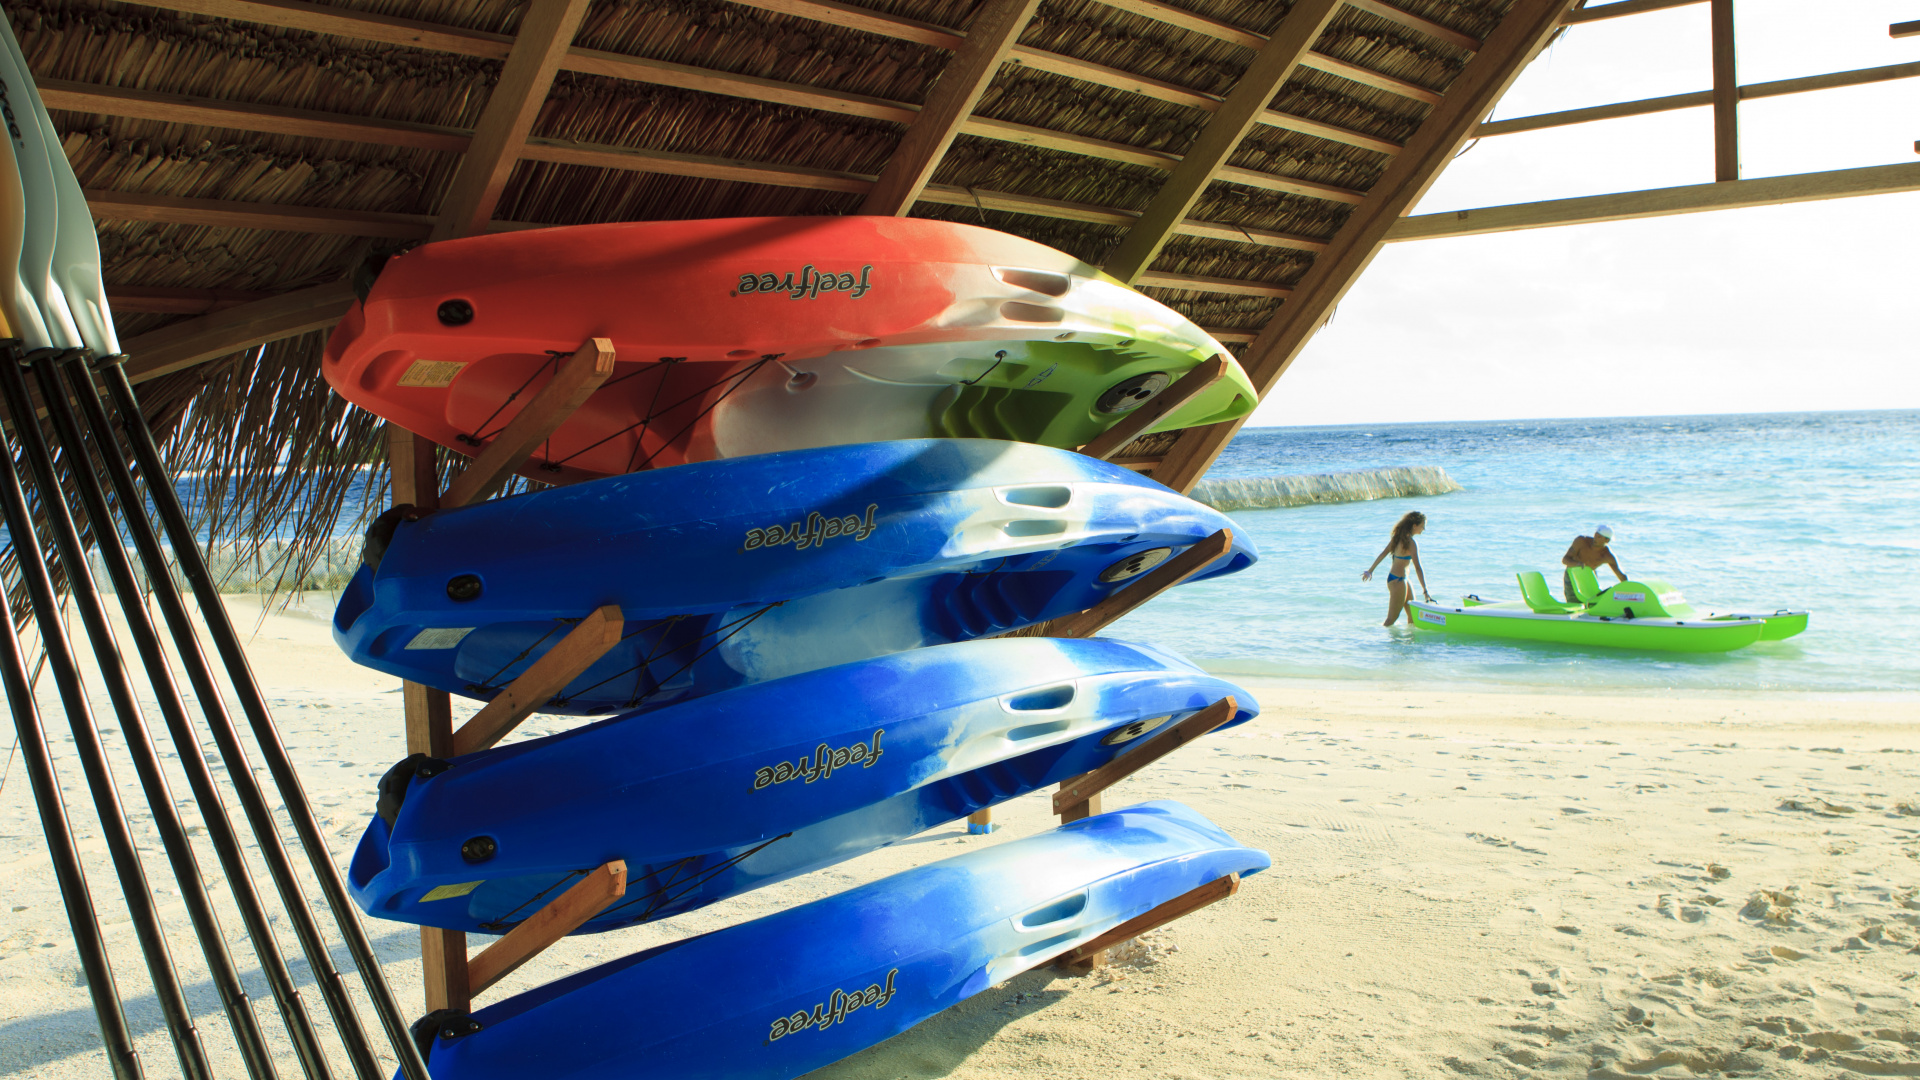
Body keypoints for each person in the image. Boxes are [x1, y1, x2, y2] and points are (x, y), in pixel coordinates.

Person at [1362, 511, 1431, 626]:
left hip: (1399, 579)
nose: (1423, 529)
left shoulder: (1398, 538)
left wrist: (1370, 571)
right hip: (1398, 580)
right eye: (1422, 526)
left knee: (1413, 617)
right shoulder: (1411, 543)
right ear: (1414, 526)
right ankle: (1384, 641)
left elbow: (1383, 554)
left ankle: (1410, 642)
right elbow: (1418, 567)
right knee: (1391, 619)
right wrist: (1425, 590)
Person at [1561, 525, 1624, 601]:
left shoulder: (1607, 556)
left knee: (1592, 600)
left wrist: (1632, 590)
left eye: (1599, 537)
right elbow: (1565, 560)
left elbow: (1621, 576)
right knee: (1572, 601)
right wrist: (1578, 564)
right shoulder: (1581, 541)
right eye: (1595, 535)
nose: (1595, 538)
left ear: (1607, 541)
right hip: (1572, 574)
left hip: (1589, 576)